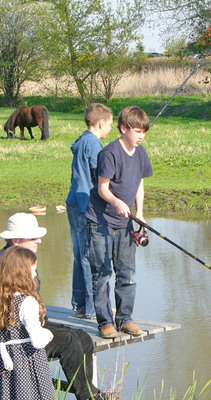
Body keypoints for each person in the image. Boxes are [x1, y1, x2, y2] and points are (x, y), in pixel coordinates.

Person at [0, 212, 104, 400]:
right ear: (16, 240)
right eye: (33, 237)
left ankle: (85, 398)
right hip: (19, 336)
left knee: (83, 338)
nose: (39, 240)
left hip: (33, 322)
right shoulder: (0, 264)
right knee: (67, 342)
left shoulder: (24, 260)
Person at [86, 106, 153, 339]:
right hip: (100, 222)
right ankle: (105, 322)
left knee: (127, 274)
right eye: (136, 131)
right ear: (123, 128)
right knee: (102, 273)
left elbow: (139, 185)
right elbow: (103, 189)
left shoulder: (141, 152)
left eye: (144, 132)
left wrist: (140, 212)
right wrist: (116, 202)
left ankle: (124, 320)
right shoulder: (109, 153)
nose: (141, 136)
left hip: (125, 223)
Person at [0, 246, 60, 400]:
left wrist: (3, 343)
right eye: (33, 270)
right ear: (21, 273)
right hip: (28, 365)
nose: (34, 275)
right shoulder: (27, 302)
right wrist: (47, 334)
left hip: (4, 364)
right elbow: (37, 341)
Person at [66, 103, 114, 319]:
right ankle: (93, 308)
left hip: (73, 202)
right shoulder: (94, 145)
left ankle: (81, 305)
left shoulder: (81, 140)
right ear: (101, 123)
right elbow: (99, 176)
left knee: (79, 256)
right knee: (88, 256)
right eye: (110, 125)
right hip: (86, 205)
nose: (110, 129)